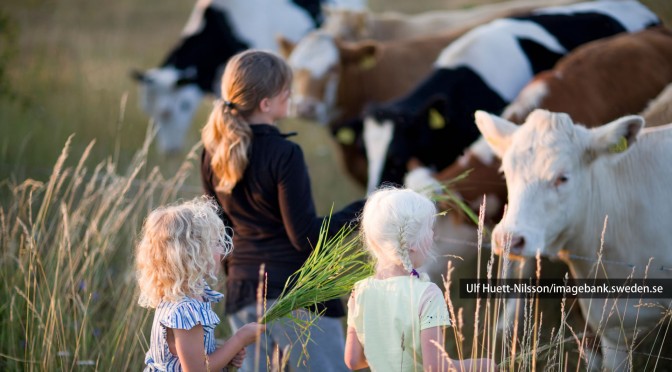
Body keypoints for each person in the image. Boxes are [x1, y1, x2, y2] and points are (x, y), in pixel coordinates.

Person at [200, 49, 364, 371]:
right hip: (297, 295)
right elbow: (304, 237)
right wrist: (364, 209)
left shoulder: (212, 155)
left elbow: (222, 235)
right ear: (265, 103)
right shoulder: (285, 154)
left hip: (243, 296)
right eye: (285, 90)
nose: (291, 95)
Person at [345, 188, 495, 371]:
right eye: (430, 229)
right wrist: (479, 365)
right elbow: (435, 367)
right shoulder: (427, 294)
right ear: (412, 245)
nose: (433, 235)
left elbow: (353, 361)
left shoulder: (359, 291)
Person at [135, 197, 265, 371]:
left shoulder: (193, 294)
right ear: (193, 254)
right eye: (214, 244)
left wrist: (227, 354)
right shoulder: (184, 310)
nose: (221, 250)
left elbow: (196, 357)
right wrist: (239, 339)